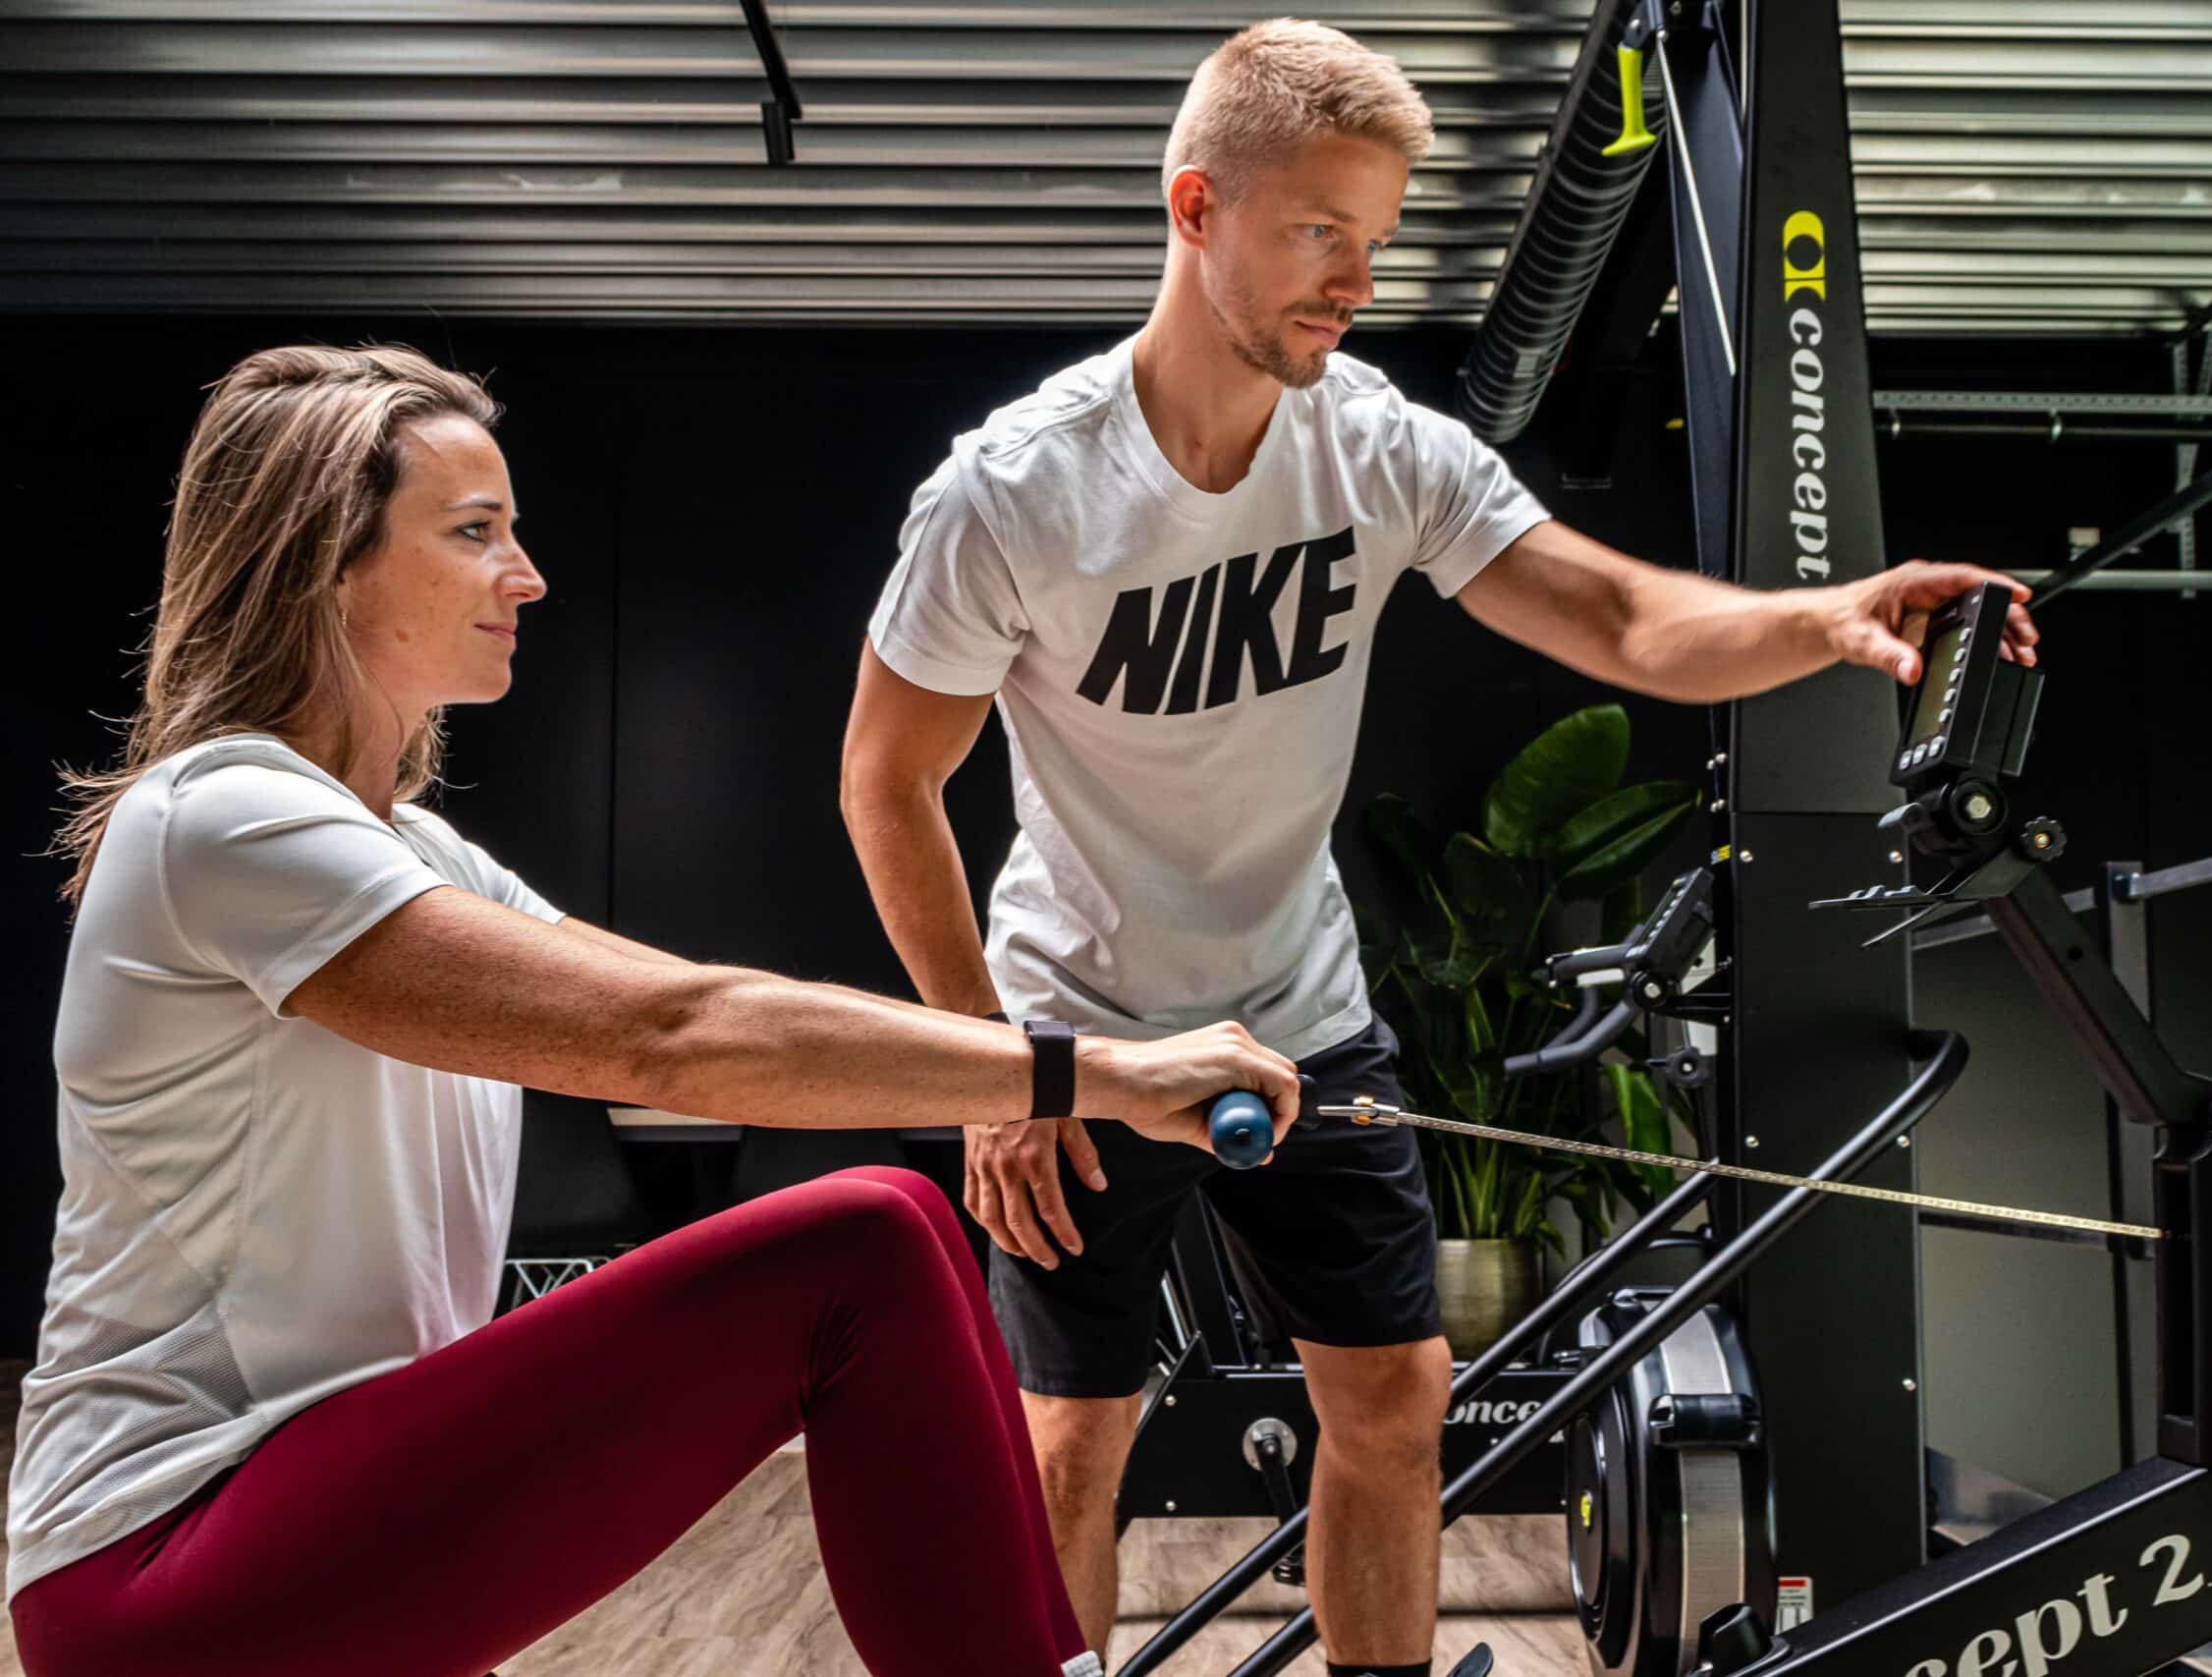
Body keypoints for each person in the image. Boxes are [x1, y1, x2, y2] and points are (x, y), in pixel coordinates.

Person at [841, 20, 2042, 1676]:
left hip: (1300, 1013)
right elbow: (885, 782)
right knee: (1074, 1440)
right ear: (1197, 208)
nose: (1356, 279)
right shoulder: (1014, 492)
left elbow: (1616, 613)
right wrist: (999, 1073)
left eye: (1377, 240)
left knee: (1397, 1400)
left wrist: (1821, 616)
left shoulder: (1376, 446)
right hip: (1080, 1026)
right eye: (1318, 231)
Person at [5, 344, 1303, 1677]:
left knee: (897, 1225)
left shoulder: (413, 854)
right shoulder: (223, 818)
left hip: (336, 1510)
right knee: (862, 1243)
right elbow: (674, 1037)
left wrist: (1045, 1073)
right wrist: (1098, 1073)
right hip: (164, 1561)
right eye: (473, 534)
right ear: (320, 565)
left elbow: (688, 1024)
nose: (528, 575)